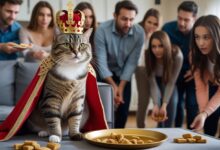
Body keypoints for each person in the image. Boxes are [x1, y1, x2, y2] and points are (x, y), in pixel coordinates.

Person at [94, 0, 144, 128]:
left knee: (123, 112)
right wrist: (113, 86)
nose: (128, 23)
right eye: (124, 19)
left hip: (124, 76)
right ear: (115, 15)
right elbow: (101, 61)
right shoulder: (101, 30)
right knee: (103, 110)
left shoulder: (139, 33)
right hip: (104, 75)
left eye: (131, 19)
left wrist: (120, 87)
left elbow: (132, 62)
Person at [162, 1, 198, 128]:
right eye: (179, 18)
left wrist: (196, 71)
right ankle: (177, 132)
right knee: (176, 105)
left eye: (186, 20)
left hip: (193, 75)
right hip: (173, 74)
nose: (182, 23)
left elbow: (206, 53)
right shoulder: (167, 28)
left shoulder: (200, 32)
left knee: (192, 105)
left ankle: (192, 134)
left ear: (194, 18)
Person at [190, 15, 220, 136]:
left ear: (216, 36)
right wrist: (203, 114)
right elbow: (201, 87)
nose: (200, 43)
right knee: (209, 124)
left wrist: (205, 112)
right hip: (213, 84)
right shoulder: (194, 55)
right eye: (197, 37)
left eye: (206, 37)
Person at [145, 31, 183, 127]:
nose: (157, 50)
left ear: (166, 45)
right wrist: (156, 104)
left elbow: (171, 82)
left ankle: (169, 130)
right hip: (156, 81)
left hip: (170, 80)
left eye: (160, 46)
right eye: (153, 46)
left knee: (171, 105)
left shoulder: (177, 55)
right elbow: (153, 83)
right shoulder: (148, 55)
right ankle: (160, 129)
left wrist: (164, 105)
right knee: (159, 112)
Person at [135, 8, 160, 128]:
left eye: (155, 24)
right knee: (144, 101)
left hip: (156, 70)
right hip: (142, 69)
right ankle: (141, 127)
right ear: (144, 20)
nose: (152, 26)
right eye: (149, 22)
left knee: (157, 98)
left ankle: (161, 127)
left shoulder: (157, 36)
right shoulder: (137, 32)